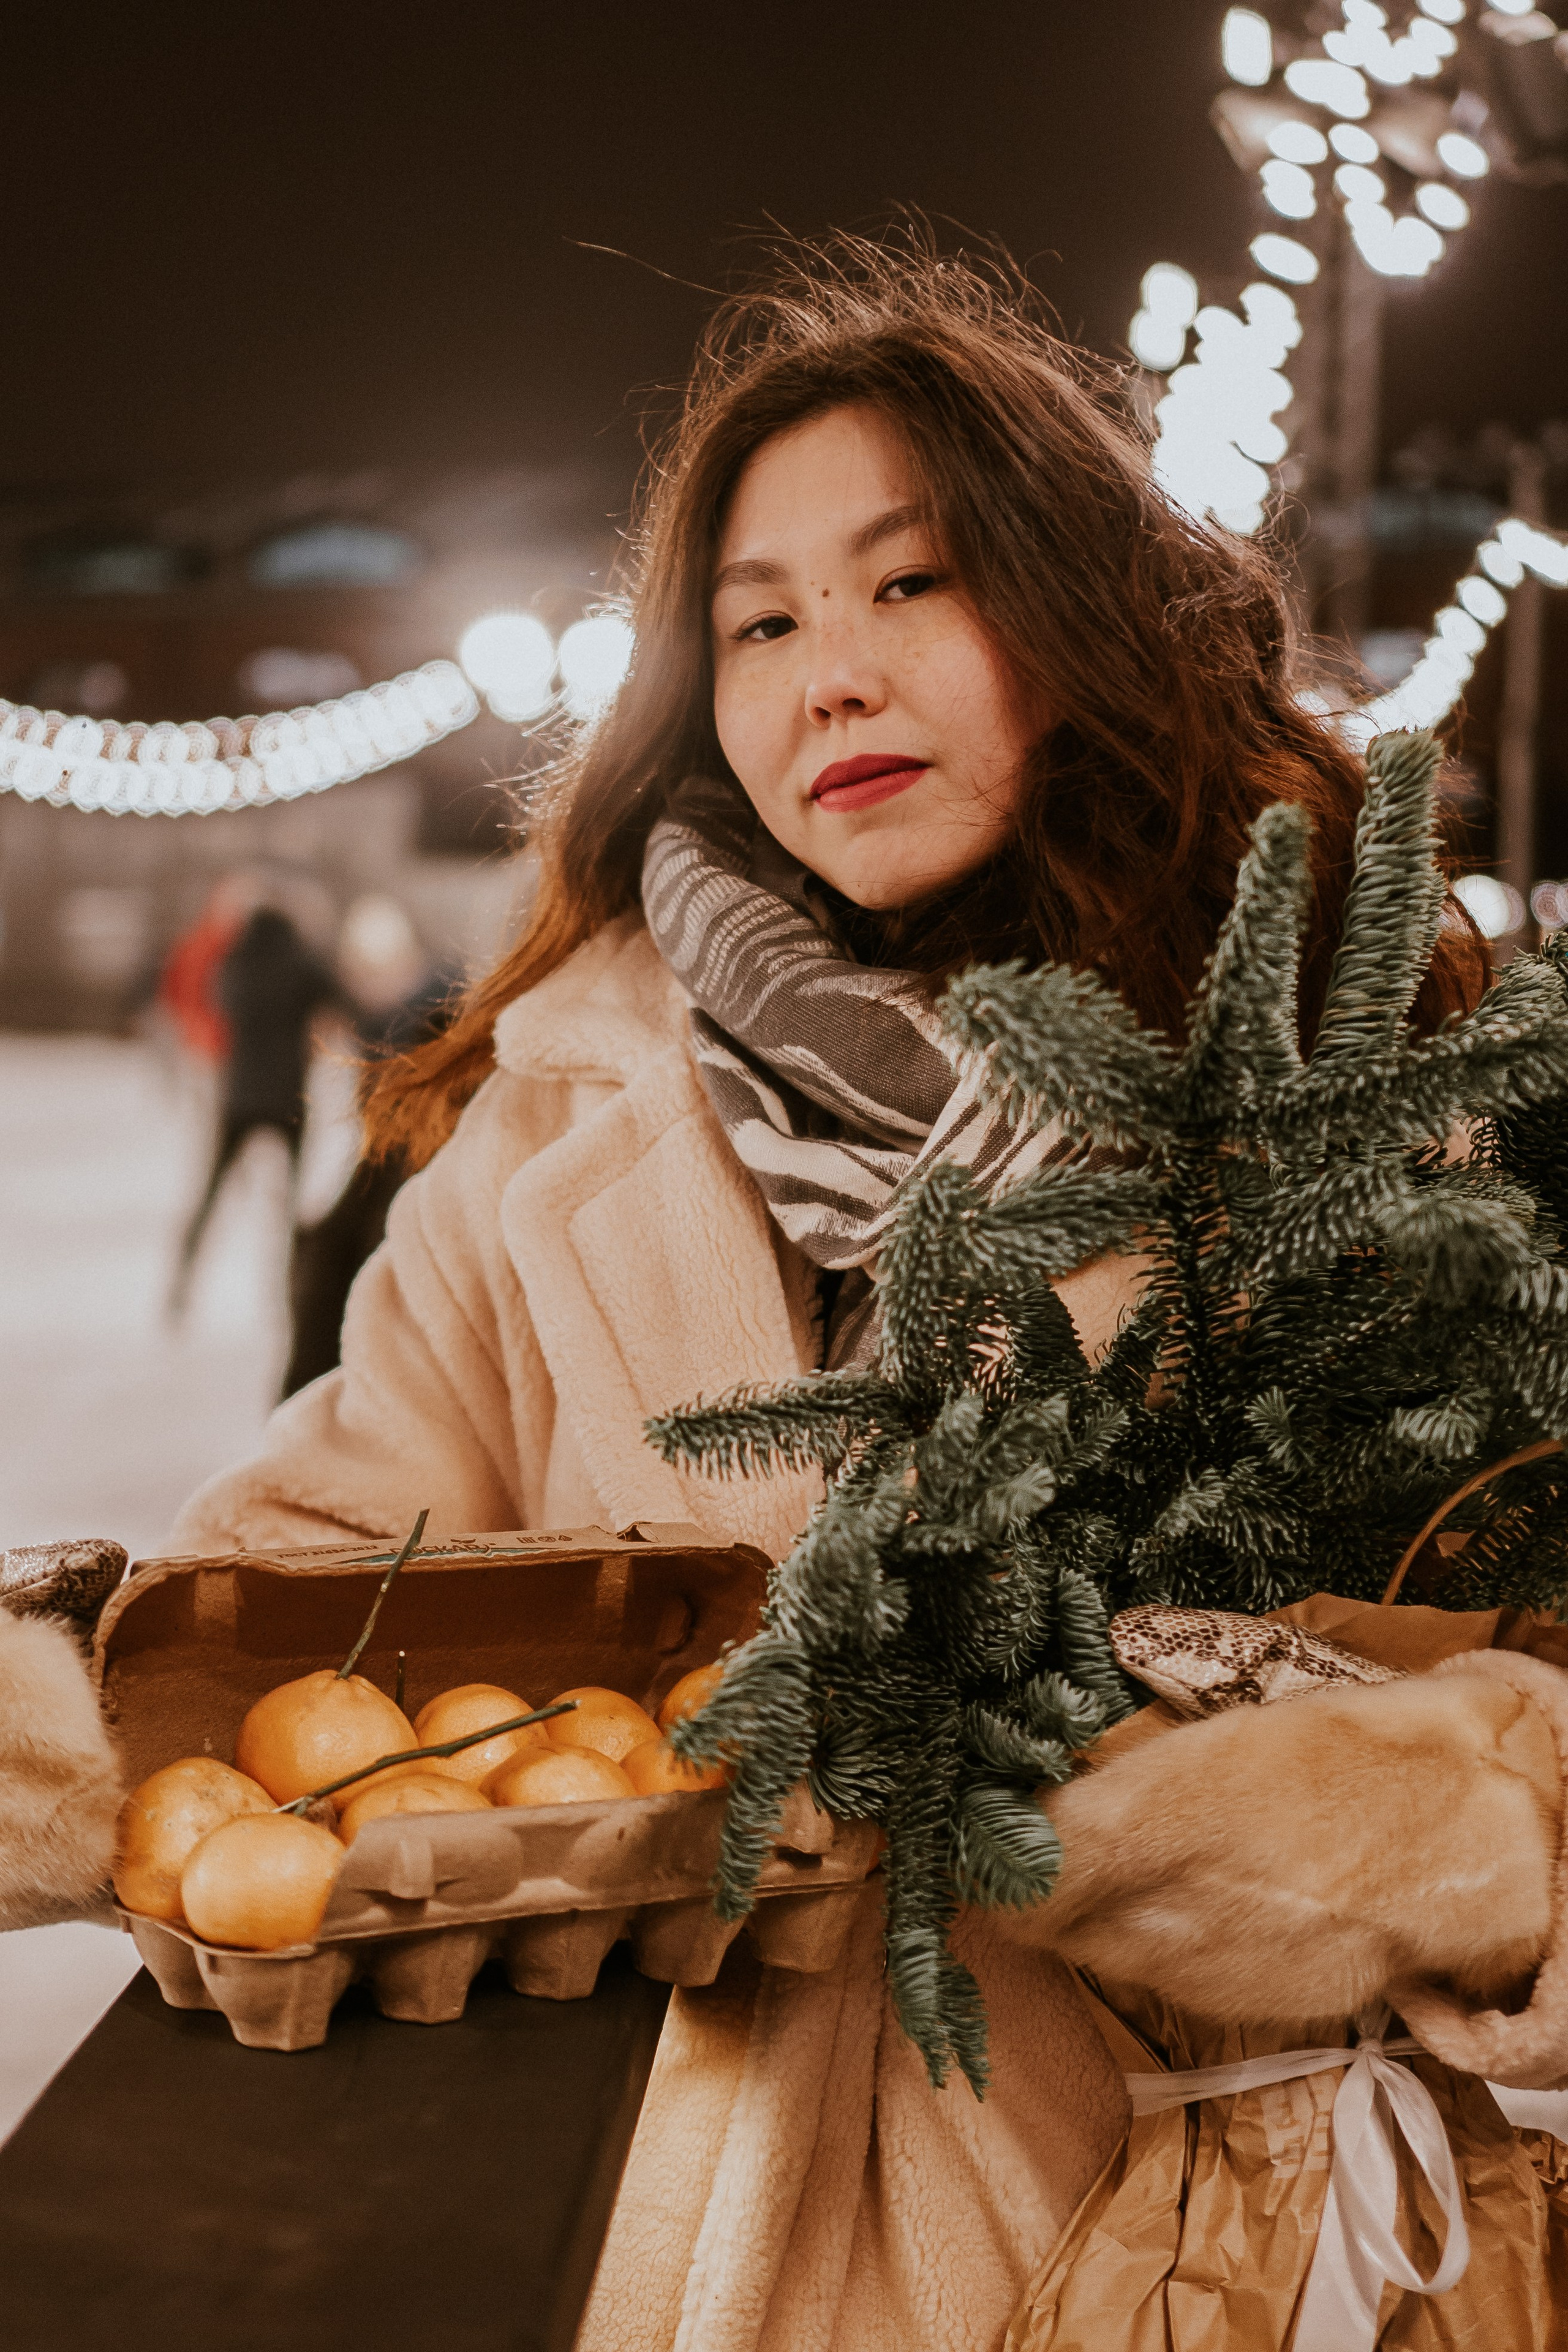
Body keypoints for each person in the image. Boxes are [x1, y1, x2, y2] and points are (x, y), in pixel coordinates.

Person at [169, 239, 1491, 2348]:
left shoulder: (1337, 1107)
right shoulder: (566, 1117)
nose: (829, 676)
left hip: (1198, 2244)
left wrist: (1113, 1811)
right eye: (759, 623)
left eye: (909, 585)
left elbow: (1501, 1696)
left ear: (1077, 620)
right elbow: (317, 1575)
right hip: (680, 2226)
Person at [170, 904, 340, 1316]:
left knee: (211, 1193)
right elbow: (338, 1004)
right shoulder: (302, 964)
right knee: (294, 1198)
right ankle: (290, 1288)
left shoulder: (236, 965)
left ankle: (181, 1284)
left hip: (240, 1095)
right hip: (288, 1096)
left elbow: (216, 1006)